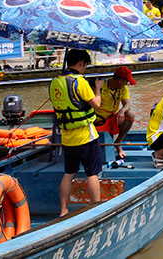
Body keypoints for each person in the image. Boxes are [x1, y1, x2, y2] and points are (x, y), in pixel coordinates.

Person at [49, 48, 102, 217]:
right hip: (85, 135)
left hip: (67, 136)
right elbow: (97, 105)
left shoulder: (55, 82)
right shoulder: (80, 82)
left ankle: (63, 210)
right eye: (85, 65)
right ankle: (96, 207)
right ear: (80, 63)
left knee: (68, 173)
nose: (85, 68)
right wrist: (98, 89)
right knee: (92, 173)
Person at [93, 66, 136, 160]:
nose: (127, 84)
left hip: (112, 119)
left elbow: (127, 103)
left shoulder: (123, 89)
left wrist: (122, 110)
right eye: (126, 82)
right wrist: (97, 88)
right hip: (98, 120)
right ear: (120, 80)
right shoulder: (101, 86)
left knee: (130, 114)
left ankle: (118, 143)